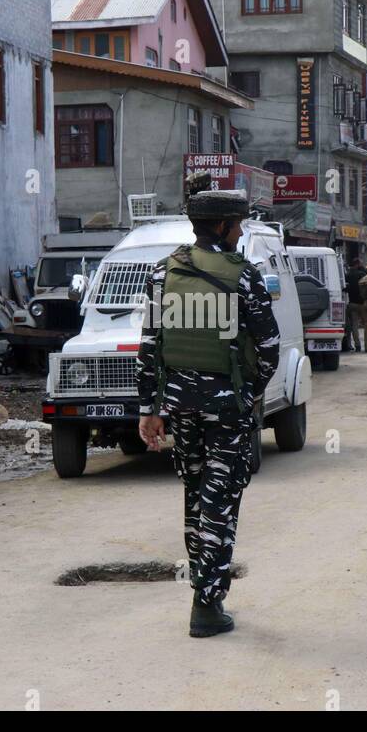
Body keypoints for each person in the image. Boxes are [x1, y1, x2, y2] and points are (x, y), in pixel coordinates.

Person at [135, 189, 281, 638]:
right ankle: (207, 603)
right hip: (227, 411)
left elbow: (150, 346)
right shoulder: (245, 276)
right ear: (220, 225)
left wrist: (150, 409)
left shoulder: (163, 274)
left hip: (181, 409)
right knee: (221, 498)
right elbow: (271, 348)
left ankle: (203, 587)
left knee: (196, 493)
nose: (240, 231)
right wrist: (247, 394)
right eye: (237, 223)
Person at [343, 258, 366, 353]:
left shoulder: (347, 275)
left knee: (354, 326)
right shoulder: (362, 274)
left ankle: (357, 346)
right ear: (357, 264)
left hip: (352, 303)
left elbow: (345, 288)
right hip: (363, 304)